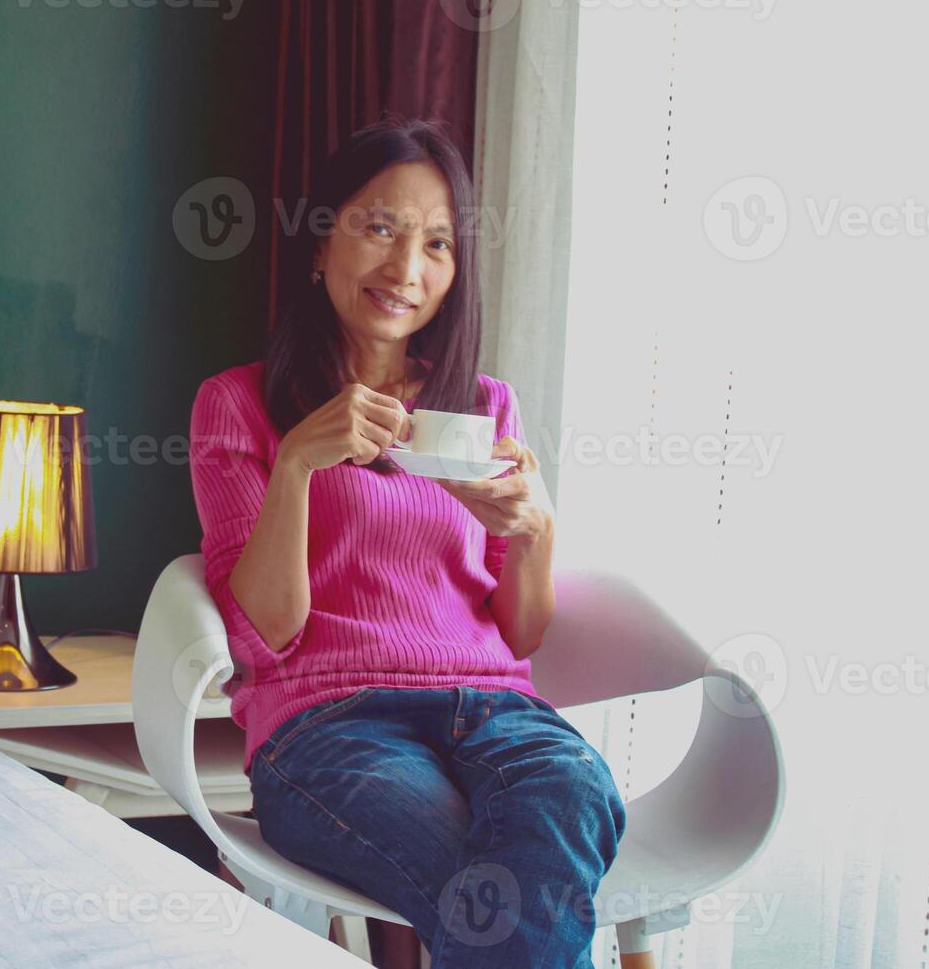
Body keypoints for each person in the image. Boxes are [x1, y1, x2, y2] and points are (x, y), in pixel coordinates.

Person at [188, 118, 625, 968]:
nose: (406, 270)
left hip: (497, 709)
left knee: (573, 786)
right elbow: (265, 634)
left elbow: (524, 632)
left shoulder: (484, 408)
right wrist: (299, 465)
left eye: (436, 244)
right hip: (329, 723)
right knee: (495, 883)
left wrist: (535, 527)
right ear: (320, 245)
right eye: (379, 228)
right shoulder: (237, 404)